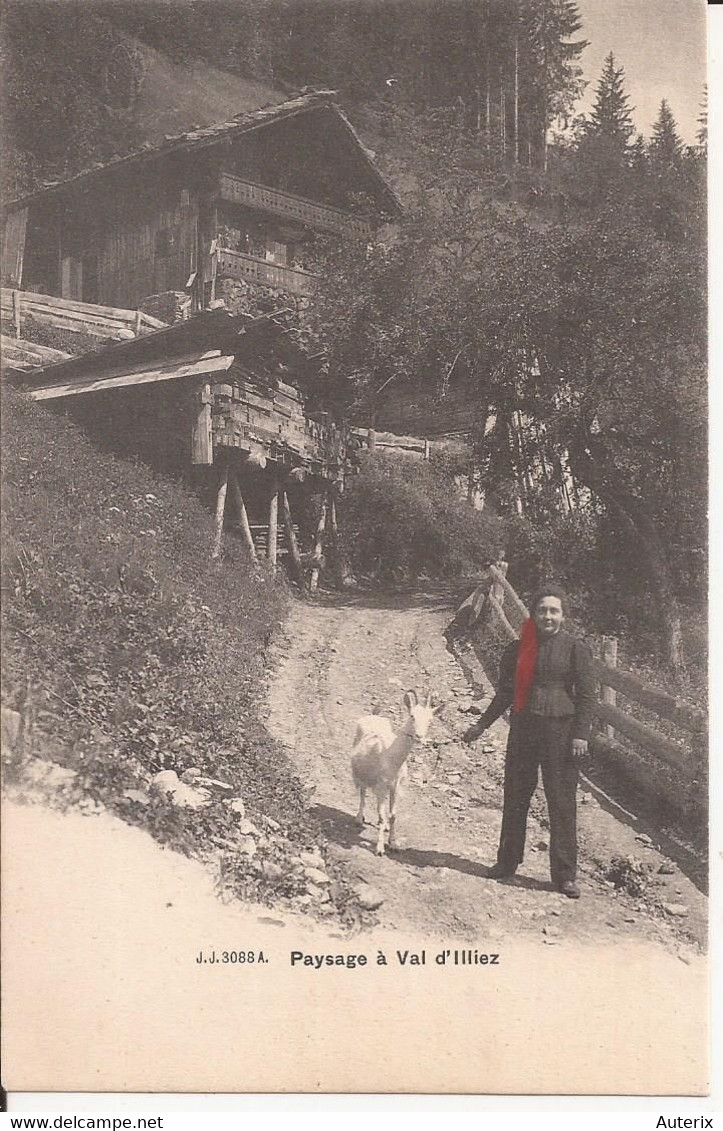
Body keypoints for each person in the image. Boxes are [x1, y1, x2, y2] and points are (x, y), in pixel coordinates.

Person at [463, 584, 595, 899]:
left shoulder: (575, 649)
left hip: (561, 735)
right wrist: (481, 724)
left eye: (554, 611)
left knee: (561, 802)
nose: (548, 616)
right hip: (523, 731)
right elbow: (506, 692)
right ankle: (506, 863)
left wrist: (580, 734)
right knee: (516, 796)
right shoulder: (517, 649)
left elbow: (588, 697)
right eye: (542, 610)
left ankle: (564, 876)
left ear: (563, 616)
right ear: (533, 614)